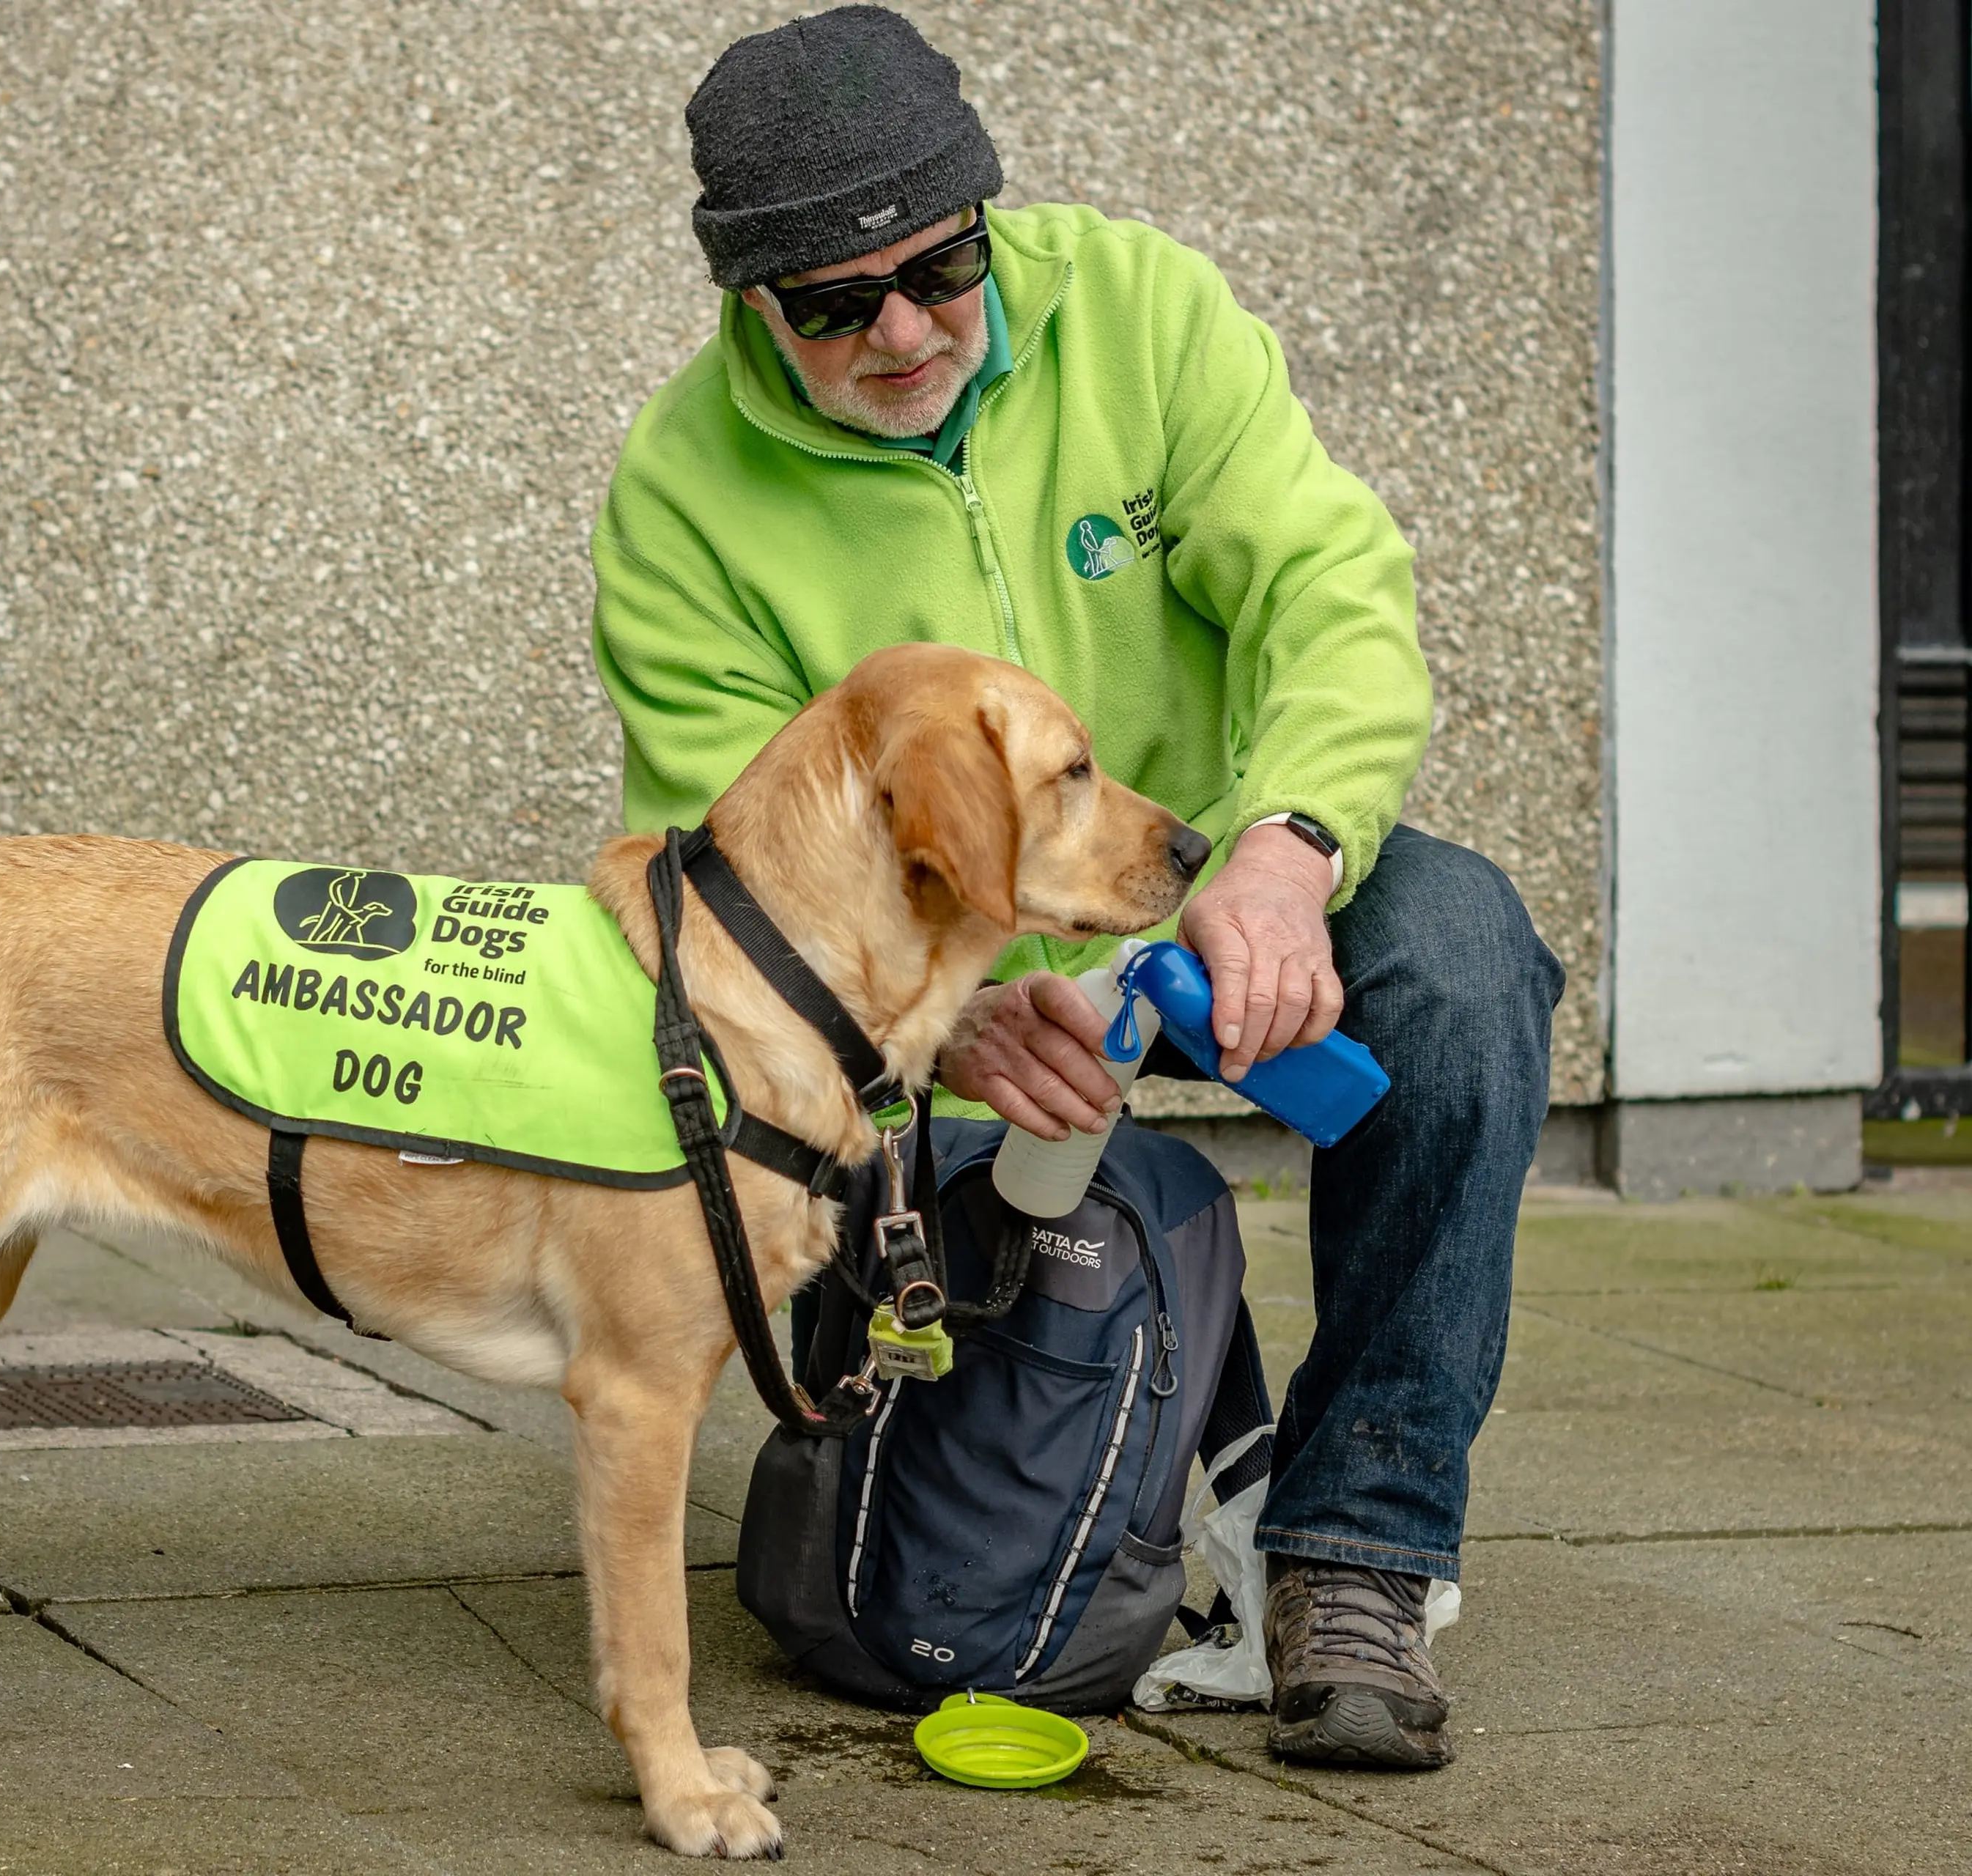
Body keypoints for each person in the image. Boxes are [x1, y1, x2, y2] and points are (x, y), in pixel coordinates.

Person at [591, 4, 1563, 1769]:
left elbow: (1336, 598)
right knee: (997, 1329)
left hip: (1208, 886)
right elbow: (720, 875)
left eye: (939, 266)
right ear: (750, 299)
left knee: (1465, 948)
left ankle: (1356, 1552)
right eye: (830, 298)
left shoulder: (1144, 312)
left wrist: (1284, 852)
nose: (899, 327)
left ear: (986, 221)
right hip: (928, 1017)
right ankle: (1146, 1485)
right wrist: (939, 1030)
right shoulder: (681, 498)